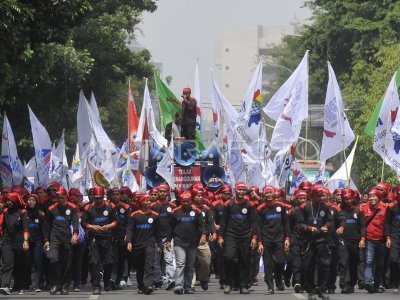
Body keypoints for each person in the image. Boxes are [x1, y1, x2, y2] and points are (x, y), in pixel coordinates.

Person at [218, 182, 258, 295]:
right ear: (235, 190)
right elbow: (223, 222)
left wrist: (254, 237)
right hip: (231, 236)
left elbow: (254, 223)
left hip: (245, 236)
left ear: (246, 192)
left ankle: (243, 285)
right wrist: (220, 236)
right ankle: (228, 284)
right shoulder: (228, 204)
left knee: (244, 261)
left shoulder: (250, 205)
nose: (241, 192)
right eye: (239, 190)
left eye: (243, 190)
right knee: (229, 257)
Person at [166, 192, 206, 295]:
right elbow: (169, 228)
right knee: (180, 263)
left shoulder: (197, 212)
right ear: (180, 201)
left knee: (190, 265)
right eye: (183, 201)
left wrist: (203, 236)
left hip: (193, 243)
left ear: (190, 201)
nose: (185, 203)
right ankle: (178, 285)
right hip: (179, 242)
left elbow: (201, 226)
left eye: (187, 201)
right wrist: (168, 241)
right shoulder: (175, 212)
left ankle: (188, 287)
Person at [81, 187, 118, 295]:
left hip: (108, 238)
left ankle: (106, 281)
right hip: (95, 239)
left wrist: (109, 226)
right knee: (94, 262)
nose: (98, 200)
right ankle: (96, 286)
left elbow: (116, 221)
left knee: (109, 262)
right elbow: (83, 223)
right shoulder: (88, 208)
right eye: (96, 198)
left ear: (103, 197)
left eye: (100, 198)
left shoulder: (111, 206)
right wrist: (92, 226)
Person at [298, 184, 332, 300]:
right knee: (308, 267)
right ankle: (311, 291)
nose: (321, 198)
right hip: (309, 241)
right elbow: (300, 224)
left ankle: (322, 290)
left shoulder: (325, 207)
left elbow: (329, 221)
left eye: (322, 196)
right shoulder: (304, 207)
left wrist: (326, 226)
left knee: (324, 266)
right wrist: (310, 228)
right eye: (318, 196)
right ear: (312, 196)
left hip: (322, 241)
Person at [257, 186, 291, 294]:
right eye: (266, 193)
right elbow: (258, 227)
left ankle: (278, 279)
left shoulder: (281, 206)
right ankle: (270, 287)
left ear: (274, 193)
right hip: (266, 240)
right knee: (267, 264)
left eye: (270, 192)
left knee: (280, 262)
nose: (269, 195)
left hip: (279, 240)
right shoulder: (260, 208)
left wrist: (287, 238)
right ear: (264, 195)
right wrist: (260, 242)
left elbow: (286, 224)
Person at [46, 187, 79, 295]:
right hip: (55, 238)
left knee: (67, 262)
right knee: (53, 259)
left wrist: (75, 234)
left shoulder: (73, 208)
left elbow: (75, 223)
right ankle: (55, 284)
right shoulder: (51, 209)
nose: (60, 199)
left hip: (67, 238)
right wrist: (46, 239)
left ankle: (64, 286)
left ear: (66, 197)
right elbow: (47, 225)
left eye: (62, 197)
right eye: (58, 197)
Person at [126, 194, 161, 295]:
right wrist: (129, 242)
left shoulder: (155, 215)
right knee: (140, 266)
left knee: (149, 264)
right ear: (141, 202)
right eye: (146, 201)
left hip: (150, 243)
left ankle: (149, 285)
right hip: (137, 245)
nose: (149, 203)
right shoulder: (134, 215)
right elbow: (130, 229)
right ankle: (141, 285)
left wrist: (159, 245)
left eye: (150, 201)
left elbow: (157, 231)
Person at [0, 193, 29, 295]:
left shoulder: (23, 212)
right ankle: (5, 286)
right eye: (7, 200)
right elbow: (2, 227)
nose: (8, 202)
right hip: (7, 241)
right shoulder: (5, 212)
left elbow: (25, 228)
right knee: (7, 264)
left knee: (20, 265)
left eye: (10, 200)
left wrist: (25, 241)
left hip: (19, 241)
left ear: (16, 200)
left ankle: (21, 286)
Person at [360, 188, 387, 293]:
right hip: (369, 239)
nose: (371, 198)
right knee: (369, 262)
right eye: (370, 196)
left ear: (379, 197)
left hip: (381, 240)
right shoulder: (363, 208)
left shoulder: (385, 208)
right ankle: (367, 282)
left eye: (374, 196)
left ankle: (376, 285)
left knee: (380, 264)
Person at [24, 194, 49, 293]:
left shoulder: (40, 214)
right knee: (27, 262)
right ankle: (27, 283)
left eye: (33, 200)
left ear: (36, 201)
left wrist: (46, 240)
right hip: (27, 242)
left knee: (37, 263)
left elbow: (44, 228)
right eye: (29, 200)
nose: (31, 202)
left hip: (38, 242)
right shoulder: (24, 213)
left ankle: (37, 284)